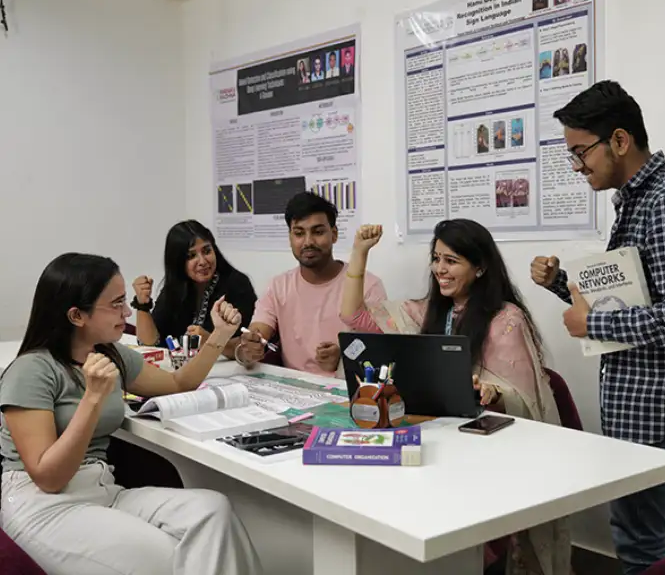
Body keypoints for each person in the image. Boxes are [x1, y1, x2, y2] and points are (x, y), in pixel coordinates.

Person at [530, 80, 665, 575]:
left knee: (639, 545)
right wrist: (561, 285)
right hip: (641, 402)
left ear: (619, 140)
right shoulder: (640, 200)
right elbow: (635, 297)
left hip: (655, 406)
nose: (577, 166)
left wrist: (593, 321)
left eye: (581, 152)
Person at [0, 253, 263, 575]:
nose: (127, 313)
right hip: (42, 503)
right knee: (174, 560)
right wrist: (92, 398)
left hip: (102, 489)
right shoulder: (31, 370)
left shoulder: (110, 354)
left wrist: (220, 334)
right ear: (76, 315)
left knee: (212, 510)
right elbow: (49, 478)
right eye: (116, 304)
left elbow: (178, 383)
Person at [341, 221, 570, 574]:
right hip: (444, 444)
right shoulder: (428, 312)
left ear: (480, 268)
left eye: (451, 261)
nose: (440, 269)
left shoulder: (506, 319)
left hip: (490, 457)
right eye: (436, 259)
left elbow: (526, 400)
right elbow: (353, 315)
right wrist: (359, 252)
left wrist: (493, 392)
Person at [239, 192, 386, 376]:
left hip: (346, 386)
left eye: (318, 232)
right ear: (290, 237)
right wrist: (248, 348)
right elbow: (257, 334)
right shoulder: (278, 286)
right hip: (293, 386)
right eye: (299, 233)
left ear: (334, 234)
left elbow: (381, 348)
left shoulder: (368, 285)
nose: (308, 242)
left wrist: (344, 357)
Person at [133, 220, 257, 360]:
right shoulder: (176, 287)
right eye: (191, 256)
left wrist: (211, 340)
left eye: (207, 251)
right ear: (177, 262)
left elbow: (249, 348)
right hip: (184, 369)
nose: (202, 261)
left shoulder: (237, 284)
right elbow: (151, 344)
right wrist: (142, 305)